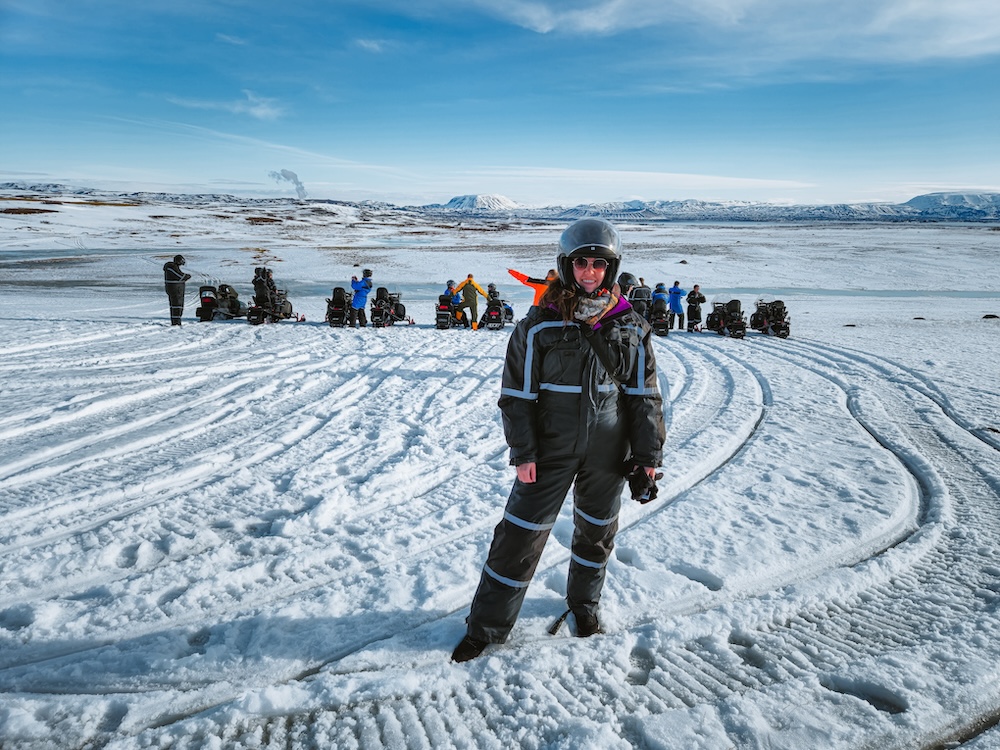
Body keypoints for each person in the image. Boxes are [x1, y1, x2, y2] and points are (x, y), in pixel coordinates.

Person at [451, 218, 665, 663]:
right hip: (548, 450)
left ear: (612, 268)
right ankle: (487, 628)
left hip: (608, 451)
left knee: (597, 533)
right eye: (582, 263)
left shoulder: (631, 326)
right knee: (519, 536)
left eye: (599, 264)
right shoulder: (538, 326)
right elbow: (516, 395)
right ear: (567, 267)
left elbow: (644, 395)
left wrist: (646, 456)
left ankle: (584, 607)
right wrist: (523, 452)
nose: (590, 272)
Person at [163, 254, 191, 326]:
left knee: (176, 305)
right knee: (176, 305)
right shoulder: (172, 267)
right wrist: (187, 276)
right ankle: (176, 323)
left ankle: (176, 321)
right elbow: (180, 276)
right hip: (175, 290)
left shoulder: (173, 267)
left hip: (176, 289)